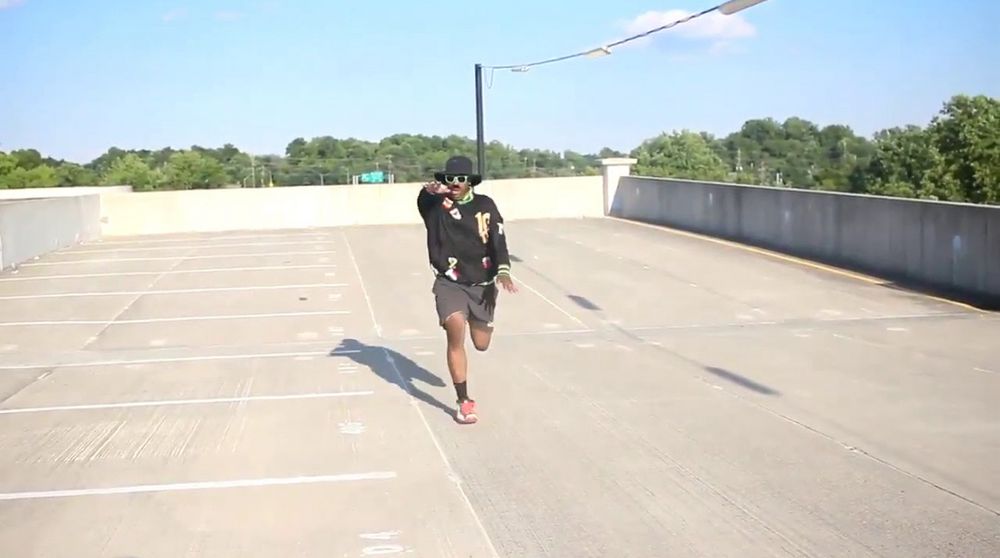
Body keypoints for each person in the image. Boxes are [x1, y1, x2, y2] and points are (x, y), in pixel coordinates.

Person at [417, 155, 518, 424]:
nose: (455, 184)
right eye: (450, 179)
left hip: (482, 285)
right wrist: (430, 191)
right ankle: (464, 401)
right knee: (455, 327)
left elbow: (498, 239)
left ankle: (480, 319)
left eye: (460, 179)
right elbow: (424, 200)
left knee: (481, 344)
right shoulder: (434, 207)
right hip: (449, 282)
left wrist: (503, 270)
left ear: (469, 181)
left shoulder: (485, 206)